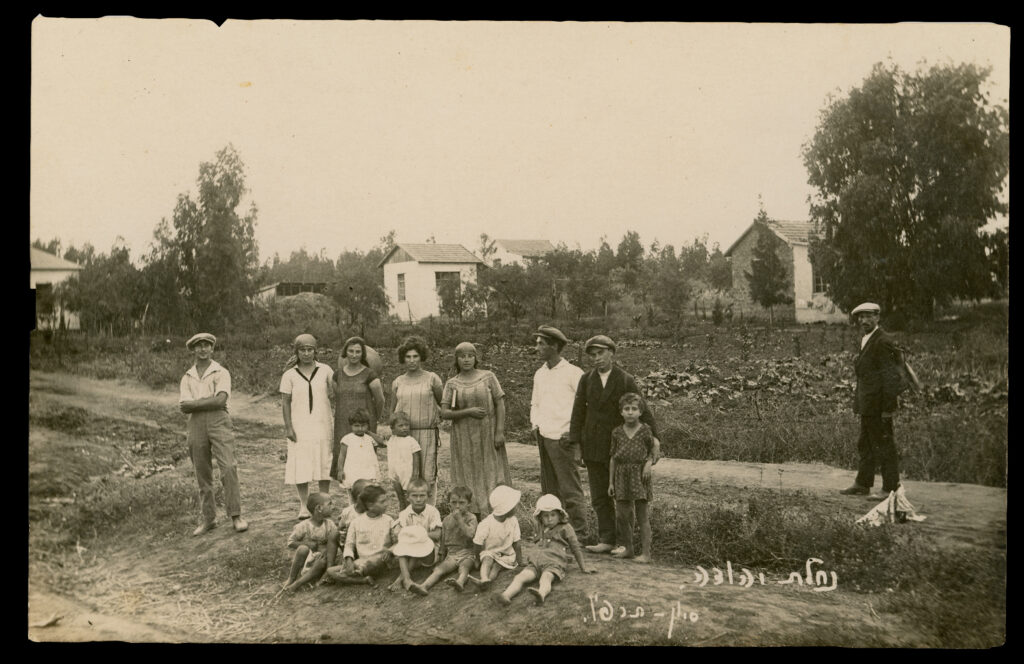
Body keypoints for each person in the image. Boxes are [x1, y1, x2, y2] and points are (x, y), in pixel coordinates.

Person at [569, 335, 659, 554]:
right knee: (599, 496)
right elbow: (578, 411)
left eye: (601, 353)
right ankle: (606, 538)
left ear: (612, 353)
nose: (597, 358)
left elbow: (642, 409)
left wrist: (655, 440)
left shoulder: (625, 379)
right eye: (593, 355)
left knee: (622, 497)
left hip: (618, 448)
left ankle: (624, 543)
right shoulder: (586, 379)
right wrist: (576, 444)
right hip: (592, 446)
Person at [179, 333, 248, 536]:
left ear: (212, 348)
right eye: (198, 346)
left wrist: (196, 404)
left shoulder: (221, 372)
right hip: (195, 424)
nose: (202, 349)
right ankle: (209, 519)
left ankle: (236, 515)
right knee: (202, 471)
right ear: (193, 349)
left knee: (228, 466)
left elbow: (220, 401)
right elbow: (184, 406)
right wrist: (208, 400)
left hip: (219, 420)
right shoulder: (188, 376)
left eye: (206, 345)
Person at [840, 302, 905, 498]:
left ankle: (890, 488)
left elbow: (890, 377)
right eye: (860, 317)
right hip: (868, 403)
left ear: (877, 317)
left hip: (879, 405)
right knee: (866, 443)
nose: (864, 320)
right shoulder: (868, 339)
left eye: (868, 316)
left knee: (884, 444)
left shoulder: (882, 341)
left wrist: (887, 408)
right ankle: (862, 483)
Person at [440, 342, 510, 518]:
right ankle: (471, 516)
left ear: (475, 358)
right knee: (467, 474)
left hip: (487, 434)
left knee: (491, 473)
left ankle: (495, 515)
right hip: (463, 437)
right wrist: (468, 412)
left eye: (470, 355)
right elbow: (445, 412)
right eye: (462, 356)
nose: (466, 360)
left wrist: (499, 431)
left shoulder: (488, 377)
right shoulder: (452, 383)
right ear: (456, 359)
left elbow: (500, 404)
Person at [530, 325, 588, 538]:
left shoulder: (574, 373)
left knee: (570, 489)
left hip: (563, 439)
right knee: (550, 489)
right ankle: (553, 532)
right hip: (544, 437)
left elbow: (584, 408)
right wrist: (535, 425)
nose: (537, 347)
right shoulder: (540, 373)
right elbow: (535, 403)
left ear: (554, 346)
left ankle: (579, 533)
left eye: (541, 343)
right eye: (537, 343)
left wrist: (573, 434)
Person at [495, 494, 596, 606]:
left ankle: (541, 594)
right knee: (520, 577)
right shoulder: (541, 528)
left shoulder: (566, 528)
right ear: (540, 517)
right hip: (535, 563)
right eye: (545, 516)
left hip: (553, 563)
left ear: (560, 515)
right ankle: (506, 595)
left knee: (546, 578)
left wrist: (583, 567)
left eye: (553, 515)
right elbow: (537, 540)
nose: (549, 519)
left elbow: (575, 548)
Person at [280, 334, 335, 519]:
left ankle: (324, 502)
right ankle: (304, 506)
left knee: (324, 462)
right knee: (301, 463)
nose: (306, 353)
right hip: (300, 425)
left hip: (322, 423)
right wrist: (288, 427)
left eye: (309, 349)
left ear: (315, 351)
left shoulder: (325, 370)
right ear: (296, 352)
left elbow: (337, 391)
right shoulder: (289, 375)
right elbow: (285, 403)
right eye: (302, 350)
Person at [386, 336, 444, 504]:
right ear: (403, 358)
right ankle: (407, 510)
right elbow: (392, 411)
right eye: (408, 357)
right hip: (403, 435)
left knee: (426, 474)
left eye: (415, 356)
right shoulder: (398, 381)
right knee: (405, 473)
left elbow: (443, 405)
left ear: (421, 357)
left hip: (426, 433)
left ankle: (429, 510)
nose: (411, 361)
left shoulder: (432, 378)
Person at [608, 393, 656, 562]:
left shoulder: (645, 431)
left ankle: (646, 553)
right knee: (622, 515)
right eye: (626, 409)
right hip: (621, 475)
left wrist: (649, 463)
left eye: (634, 409)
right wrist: (610, 483)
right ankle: (628, 549)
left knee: (642, 515)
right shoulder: (617, 432)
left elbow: (654, 451)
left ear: (640, 411)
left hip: (639, 474)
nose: (630, 412)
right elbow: (613, 458)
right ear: (621, 412)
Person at [332, 336, 385, 483]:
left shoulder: (370, 374)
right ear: (345, 353)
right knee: (346, 457)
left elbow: (380, 400)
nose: (354, 355)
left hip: (364, 423)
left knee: (364, 460)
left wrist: (373, 418)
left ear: (363, 354)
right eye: (351, 351)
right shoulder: (338, 375)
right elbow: (338, 395)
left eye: (358, 352)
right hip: (343, 422)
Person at [409, 486, 479, 594]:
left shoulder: (471, 518)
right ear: (449, 503)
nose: (457, 506)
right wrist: (442, 555)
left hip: (467, 553)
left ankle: (460, 582)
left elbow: (471, 534)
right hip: (451, 554)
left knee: (464, 568)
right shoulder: (446, 519)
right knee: (439, 570)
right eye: (453, 502)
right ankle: (424, 586)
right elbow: (443, 539)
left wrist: (460, 520)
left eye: (461, 503)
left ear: (469, 503)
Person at [324, 484, 395, 586]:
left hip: (382, 561)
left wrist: (390, 551)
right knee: (330, 571)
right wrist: (349, 560)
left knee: (375, 560)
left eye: (386, 500)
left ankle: (356, 573)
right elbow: (349, 544)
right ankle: (362, 580)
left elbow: (397, 541)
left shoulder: (389, 520)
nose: (386, 504)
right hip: (362, 561)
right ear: (370, 505)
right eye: (382, 502)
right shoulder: (356, 522)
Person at [389, 478, 442, 593]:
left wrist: (418, 536)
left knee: (416, 543)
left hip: (429, 552)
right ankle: (407, 579)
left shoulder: (433, 512)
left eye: (422, 495)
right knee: (403, 547)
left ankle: (400, 578)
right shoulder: (405, 514)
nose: (418, 499)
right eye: (414, 496)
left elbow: (437, 534)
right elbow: (400, 535)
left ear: (428, 496)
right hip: (410, 550)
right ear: (408, 497)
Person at [467, 485, 523, 590]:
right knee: (487, 560)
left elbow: (517, 543)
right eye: (514, 505)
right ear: (507, 508)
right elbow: (477, 543)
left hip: (507, 555)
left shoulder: (513, 520)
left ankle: (487, 581)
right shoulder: (486, 524)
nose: (516, 507)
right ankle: (484, 578)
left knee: (497, 566)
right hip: (491, 552)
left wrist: (520, 561)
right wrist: (477, 559)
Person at [281, 492, 338, 592]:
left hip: (321, 561)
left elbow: (333, 542)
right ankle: (291, 578)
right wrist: (307, 544)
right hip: (308, 558)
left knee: (323, 561)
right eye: (330, 504)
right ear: (319, 508)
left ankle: (300, 583)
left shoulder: (330, 524)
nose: (333, 506)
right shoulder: (303, 526)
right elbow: (290, 542)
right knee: (303, 549)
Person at [336, 408, 383, 489]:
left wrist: (368, 432)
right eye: (356, 426)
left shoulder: (369, 438)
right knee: (353, 489)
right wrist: (340, 470)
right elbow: (342, 456)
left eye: (363, 426)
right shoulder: (347, 439)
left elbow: (382, 443)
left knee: (368, 490)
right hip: (353, 470)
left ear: (367, 425)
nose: (360, 429)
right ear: (351, 425)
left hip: (368, 469)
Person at [385, 411, 422, 510]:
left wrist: (415, 474)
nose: (405, 428)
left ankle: (409, 516)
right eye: (400, 426)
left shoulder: (411, 440)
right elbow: (381, 442)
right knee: (400, 498)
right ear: (393, 428)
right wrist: (369, 433)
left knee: (408, 498)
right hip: (394, 474)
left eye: (406, 425)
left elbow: (416, 457)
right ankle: (402, 517)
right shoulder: (392, 439)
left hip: (407, 474)